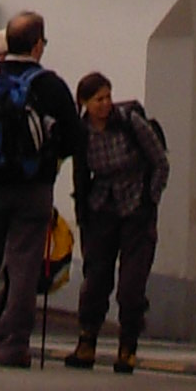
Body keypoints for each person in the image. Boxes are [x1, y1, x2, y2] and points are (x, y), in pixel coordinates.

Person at [0, 10, 84, 370]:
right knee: (23, 266)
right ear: (37, 45)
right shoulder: (50, 86)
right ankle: (11, 345)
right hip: (33, 188)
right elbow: (75, 138)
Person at [65, 75, 169, 374]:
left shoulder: (130, 123)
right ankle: (87, 341)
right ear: (85, 103)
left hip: (137, 208)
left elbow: (160, 162)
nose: (105, 104)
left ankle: (128, 347)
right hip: (102, 208)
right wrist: (82, 214)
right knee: (95, 279)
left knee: (131, 284)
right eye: (98, 99)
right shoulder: (82, 133)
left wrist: (151, 198)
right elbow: (80, 175)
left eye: (108, 97)